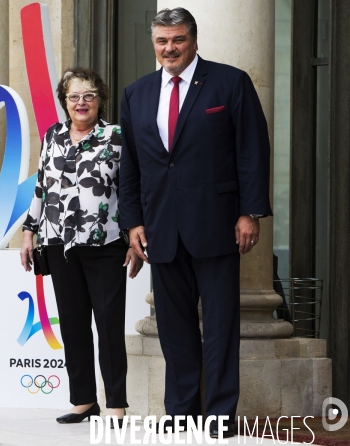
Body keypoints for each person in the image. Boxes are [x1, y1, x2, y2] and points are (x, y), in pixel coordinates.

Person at [118, 8, 272, 438]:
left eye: (178, 40)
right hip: (160, 229)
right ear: (154, 43)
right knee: (174, 329)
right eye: (162, 41)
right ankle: (181, 415)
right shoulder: (137, 93)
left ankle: (220, 418)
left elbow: (252, 150)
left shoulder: (230, 82)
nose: (170, 48)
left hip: (218, 224)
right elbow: (130, 166)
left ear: (194, 39)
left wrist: (250, 212)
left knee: (221, 327)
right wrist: (132, 224)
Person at [20, 68, 143, 427]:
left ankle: (116, 405)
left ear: (99, 99)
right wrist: (29, 233)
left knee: (108, 325)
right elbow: (42, 188)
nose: (81, 102)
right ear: (65, 101)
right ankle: (84, 401)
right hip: (59, 244)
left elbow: (132, 189)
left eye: (88, 95)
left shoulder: (116, 137)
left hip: (106, 244)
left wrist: (135, 238)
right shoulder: (53, 136)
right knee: (72, 325)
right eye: (74, 96)